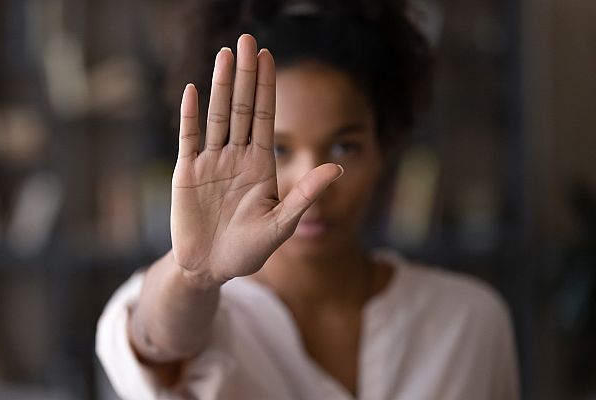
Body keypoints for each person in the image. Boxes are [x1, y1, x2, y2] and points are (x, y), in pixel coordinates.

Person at [96, 1, 520, 399]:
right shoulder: (194, 303)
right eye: (278, 150)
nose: (311, 184)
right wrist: (193, 274)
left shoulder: (470, 323)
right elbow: (156, 340)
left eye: (344, 148)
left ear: (384, 150)